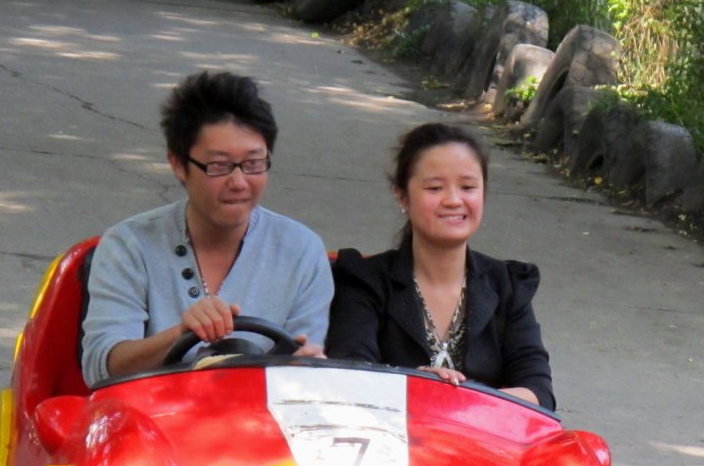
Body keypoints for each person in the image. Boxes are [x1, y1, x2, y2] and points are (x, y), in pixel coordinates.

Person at [80, 71, 331, 386]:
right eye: (219, 166)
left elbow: (303, 357)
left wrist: (307, 365)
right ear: (178, 164)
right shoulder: (128, 245)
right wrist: (179, 335)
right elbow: (101, 368)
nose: (238, 183)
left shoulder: (301, 250)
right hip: (150, 411)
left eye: (253, 164)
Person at [325, 122, 554, 409]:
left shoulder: (508, 285)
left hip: (484, 434)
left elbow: (539, 393)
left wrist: (457, 398)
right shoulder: (363, 279)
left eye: (468, 187)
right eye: (435, 187)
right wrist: (414, 386)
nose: (454, 200)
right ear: (402, 196)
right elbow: (350, 374)